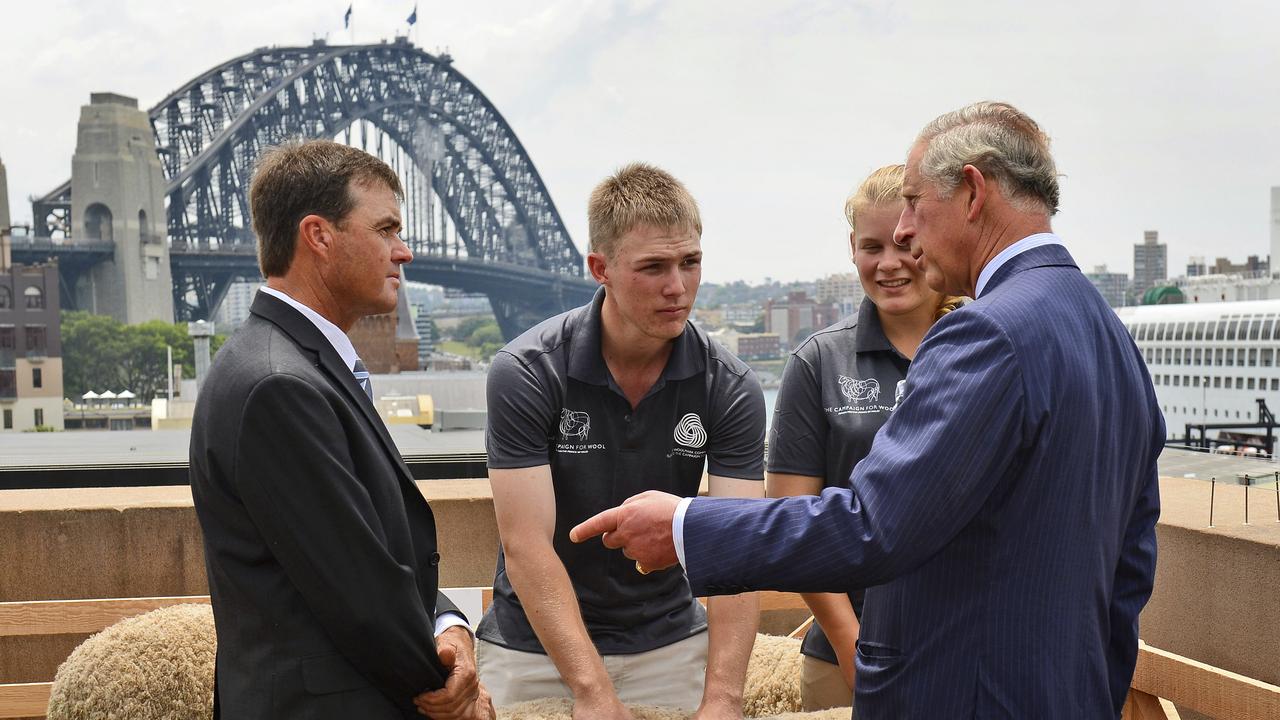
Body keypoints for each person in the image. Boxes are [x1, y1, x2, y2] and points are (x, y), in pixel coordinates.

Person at [572, 102, 1163, 719]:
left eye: (913, 202)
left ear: (972, 191)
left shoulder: (986, 333)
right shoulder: (1107, 331)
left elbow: (875, 526)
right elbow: (1131, 563)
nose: (905, 231)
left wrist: (685, 527)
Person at [190, 139, 493, 720]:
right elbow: (362, 597)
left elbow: (379, 555)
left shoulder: (287, 364)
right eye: (384, 230)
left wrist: (451, 629)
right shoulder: (280, 385)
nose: (404, 252)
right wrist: (459, 702)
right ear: (319, 236)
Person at [479, 162, 765, 719]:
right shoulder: (527, 370)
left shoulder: (728, 384)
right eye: (653, 267)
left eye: (690, 262)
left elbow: (738, 547)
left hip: (667, 639)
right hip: (532, 642)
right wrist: (593, 691)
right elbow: (525, 544)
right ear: (599, 268)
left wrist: (724, 698)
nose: (677, 287)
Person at [767, 163, 962, 712]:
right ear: (852, 248)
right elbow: (789, 520)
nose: (890, 264)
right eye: (871, 247)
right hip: (842, 655)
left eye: (903, 243)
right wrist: (855, 650)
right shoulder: (819, 361)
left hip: (967, 647)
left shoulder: (980, 348)